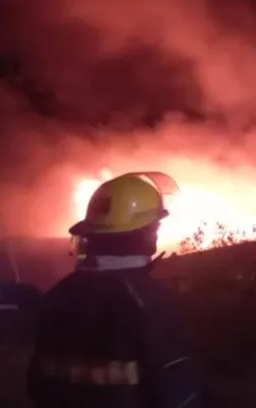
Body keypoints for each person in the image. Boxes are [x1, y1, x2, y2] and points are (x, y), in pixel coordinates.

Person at [26, 172, 203, 408]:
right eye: (155, 227)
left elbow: (36, 384)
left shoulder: (58, 294)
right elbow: (178, 389)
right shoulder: (148, 300)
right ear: (147, 235)